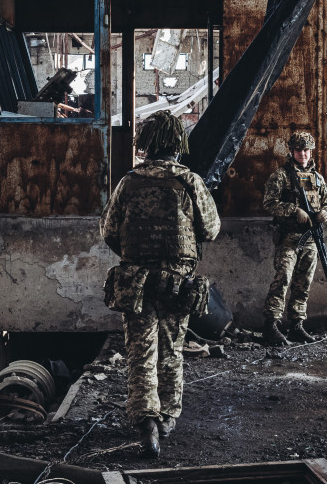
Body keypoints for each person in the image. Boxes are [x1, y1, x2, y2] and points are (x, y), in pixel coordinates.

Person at [101, 111, 220, 458]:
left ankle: (146, 425)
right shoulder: (190, 181)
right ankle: (167, 418)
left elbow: (109, 232)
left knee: (141, 355)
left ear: (147, 144)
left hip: (137, 281)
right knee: (171, 352)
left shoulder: (128, 182)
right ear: (176, 145)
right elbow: (210, 230)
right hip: (177, 282)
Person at [261, 129, 327, 346]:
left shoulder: (317, 178)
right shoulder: (281, 176)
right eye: (299, 150)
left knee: (304, 283)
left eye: (306, 150)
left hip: (311, 239)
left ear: (311, 152)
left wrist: (325, 214)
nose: (303, 154)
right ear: (292, 151)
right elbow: (269, 203)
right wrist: (294, 210)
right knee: (283, 279)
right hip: (289, 238)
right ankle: (271, 325)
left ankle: (296, 325)